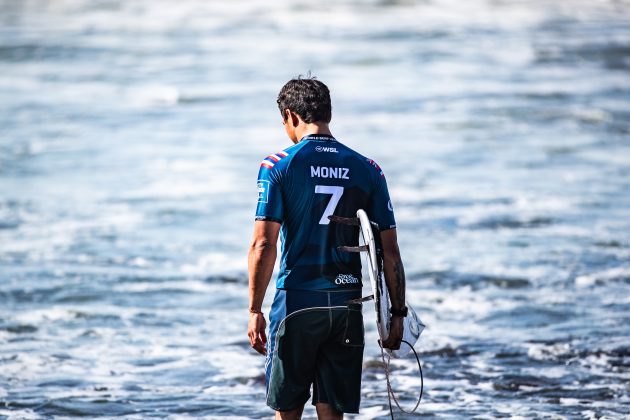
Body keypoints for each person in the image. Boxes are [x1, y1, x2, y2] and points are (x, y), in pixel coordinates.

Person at [247, 76, 407, 420]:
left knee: (287, 411)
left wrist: (254, 309)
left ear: (290, 116)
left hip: (297, 304)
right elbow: (390, 252)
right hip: (347, 307)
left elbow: (263, 244)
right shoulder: (368, 169)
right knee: (332, 414)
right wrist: (398, 314)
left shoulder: (277, 166)